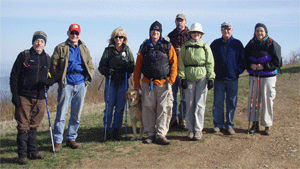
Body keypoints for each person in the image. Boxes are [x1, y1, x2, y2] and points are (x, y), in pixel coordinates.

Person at [10, 31, 55, 165]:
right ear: (33, 42)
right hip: (24, 96)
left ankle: (33, 151)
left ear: (44, 44)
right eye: (37, 41)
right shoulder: (24, 56)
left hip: (40, 97)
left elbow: (52, 76)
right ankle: (22, 155)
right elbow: (14, 77)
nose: (39, 43)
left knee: (34, 125)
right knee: (23, 126)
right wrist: (15, 96)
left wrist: (49, 83)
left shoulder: (47, 58)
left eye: (41, 41)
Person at [51, 24, 94, 152]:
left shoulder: (84, 48)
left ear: (79, 34)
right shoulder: (60, 48)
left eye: (76, 33)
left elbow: (90, 64)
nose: (74, 35)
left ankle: (71, 138)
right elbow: (53, 65)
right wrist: (60, 80)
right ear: (68, 33)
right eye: (72, 33)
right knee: (61, 114)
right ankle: (58, 141)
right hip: (67, 84)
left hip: (81, 83)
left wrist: (87, 80)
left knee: (76, 114)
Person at [133, 21, 178, 145]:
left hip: (164, 82)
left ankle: (161, 134)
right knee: (148, 109)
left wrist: (171, 80)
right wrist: (137, 84)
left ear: (160, 33)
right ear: (150, 32)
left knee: (164, 108)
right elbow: (137, 67)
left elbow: (174, 63)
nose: (155, 33)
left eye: (157, 31)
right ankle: (150, 134)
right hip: (148, 83)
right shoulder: (144, 46)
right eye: (153, 30)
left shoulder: (167, 46)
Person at [179, 23, 215, 140]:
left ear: (201, 35)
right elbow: (181, 63)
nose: (196, 34)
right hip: (189, 77)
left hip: (202, 77)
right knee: (189, 104)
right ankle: (190, 129)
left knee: (200, 104)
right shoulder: (185, 46)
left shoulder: (205, 46)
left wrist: (210, 78)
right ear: (190, 34)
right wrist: (182, 77)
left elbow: (210, 63)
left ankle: (198, 130)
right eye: (194, 32)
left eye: (198, 33)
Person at [98, 27, 135, 141]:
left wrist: (128, 68)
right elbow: (101, 66)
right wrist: (108, 71)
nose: (119, 39)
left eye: (121, 37)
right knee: (109, 107)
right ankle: (107, 130)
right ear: (113, 38)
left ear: (124, 39)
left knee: (120, 107)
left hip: (123, 80)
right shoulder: (108, 50)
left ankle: (116, 130)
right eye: (116, 37)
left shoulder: (127, 51)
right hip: (111, 80)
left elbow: (132, 65)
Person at [245, 23, 281, 136]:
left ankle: (267, 125)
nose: (259, 33)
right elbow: (244, 58)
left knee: (267, 100)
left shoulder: (272, 44)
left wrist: (264, 66)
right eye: (257, 31)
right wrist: (250, 66)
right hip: (254, 76)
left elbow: (277, 62)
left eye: (261, 31)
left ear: (265, 32)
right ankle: (254, 123)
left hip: (268, 77)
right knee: (253, 100)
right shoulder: (250, 44)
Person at [210, 22, 246, 135]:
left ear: (232, 30)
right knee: (218, 102)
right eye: (224, 29)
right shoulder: (215, 44)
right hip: (219, 79)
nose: (226, 31)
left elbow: (243, 60)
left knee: (231, 102)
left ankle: (229, 125)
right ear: (221, 30)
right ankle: (218, 125)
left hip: (232, 79)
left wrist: (237, 71)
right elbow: (210, 60)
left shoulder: (237, 44)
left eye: (228, 29)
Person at [167, 13, 189, 129]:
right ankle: (172, 118)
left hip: (185, 70)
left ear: (185, 22)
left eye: (181, 21)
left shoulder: (190, 35)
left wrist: (183, 50)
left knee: (184, 97)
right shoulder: (171, 35)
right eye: (177, 21)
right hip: (173, 70)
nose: (179, 22)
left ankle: (183, 118)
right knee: (173, 96)